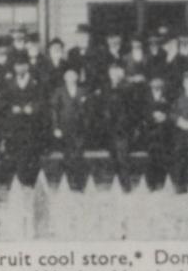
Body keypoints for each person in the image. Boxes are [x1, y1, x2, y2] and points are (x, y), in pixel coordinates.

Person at [3, 55, 44, 187]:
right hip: (15, 123)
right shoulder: (9, 82)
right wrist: (11, 108)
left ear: (27, 66)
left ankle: (31, 180)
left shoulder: (35, 81)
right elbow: (5, 101)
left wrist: (32, 108)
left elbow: (41, 99)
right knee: (17, 149)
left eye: (22, 65)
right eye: (17, 65)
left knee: (31, 149)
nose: (19, 68)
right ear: (14, 68)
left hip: (31, 122)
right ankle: (19, 179)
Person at [97, 61, 136, 190]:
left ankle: (126, 186)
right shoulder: (106, 86)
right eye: (111, 72)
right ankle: (117, 185)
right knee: (113, 156)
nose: (113, 74)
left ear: (121, 72)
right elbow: (103, 104)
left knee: (122, 157)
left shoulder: (127, 86)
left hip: (122, 128)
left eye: (116, 71)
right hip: (109, 127)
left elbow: (130, 107)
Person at [50, 66, 89, 190]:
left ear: (77, 78)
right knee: (67, 155)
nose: (71, 79)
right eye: (68, 77)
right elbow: (54, 110)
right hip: (65, 127)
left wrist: (86, 125)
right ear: (64, 78)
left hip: (79, 128)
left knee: (78, 154)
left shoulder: (83, 91)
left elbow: (88, 109)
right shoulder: (59, 91)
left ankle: (79, 182)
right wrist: (56, 127)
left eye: (73, 76)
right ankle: (69, 181)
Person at [141, 74, 172, 190]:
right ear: (150, 84)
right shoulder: (145, 96)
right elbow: (142, 112)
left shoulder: (168, 96)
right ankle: (151, 182)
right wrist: (152, 116)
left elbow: (171, 110)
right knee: (152, 151)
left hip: (164, 130)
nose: (156, 84)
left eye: (159, 82)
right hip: (149, 130)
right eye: (154, 82)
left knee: (163, 151)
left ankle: (161, 180)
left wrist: (165, 116)